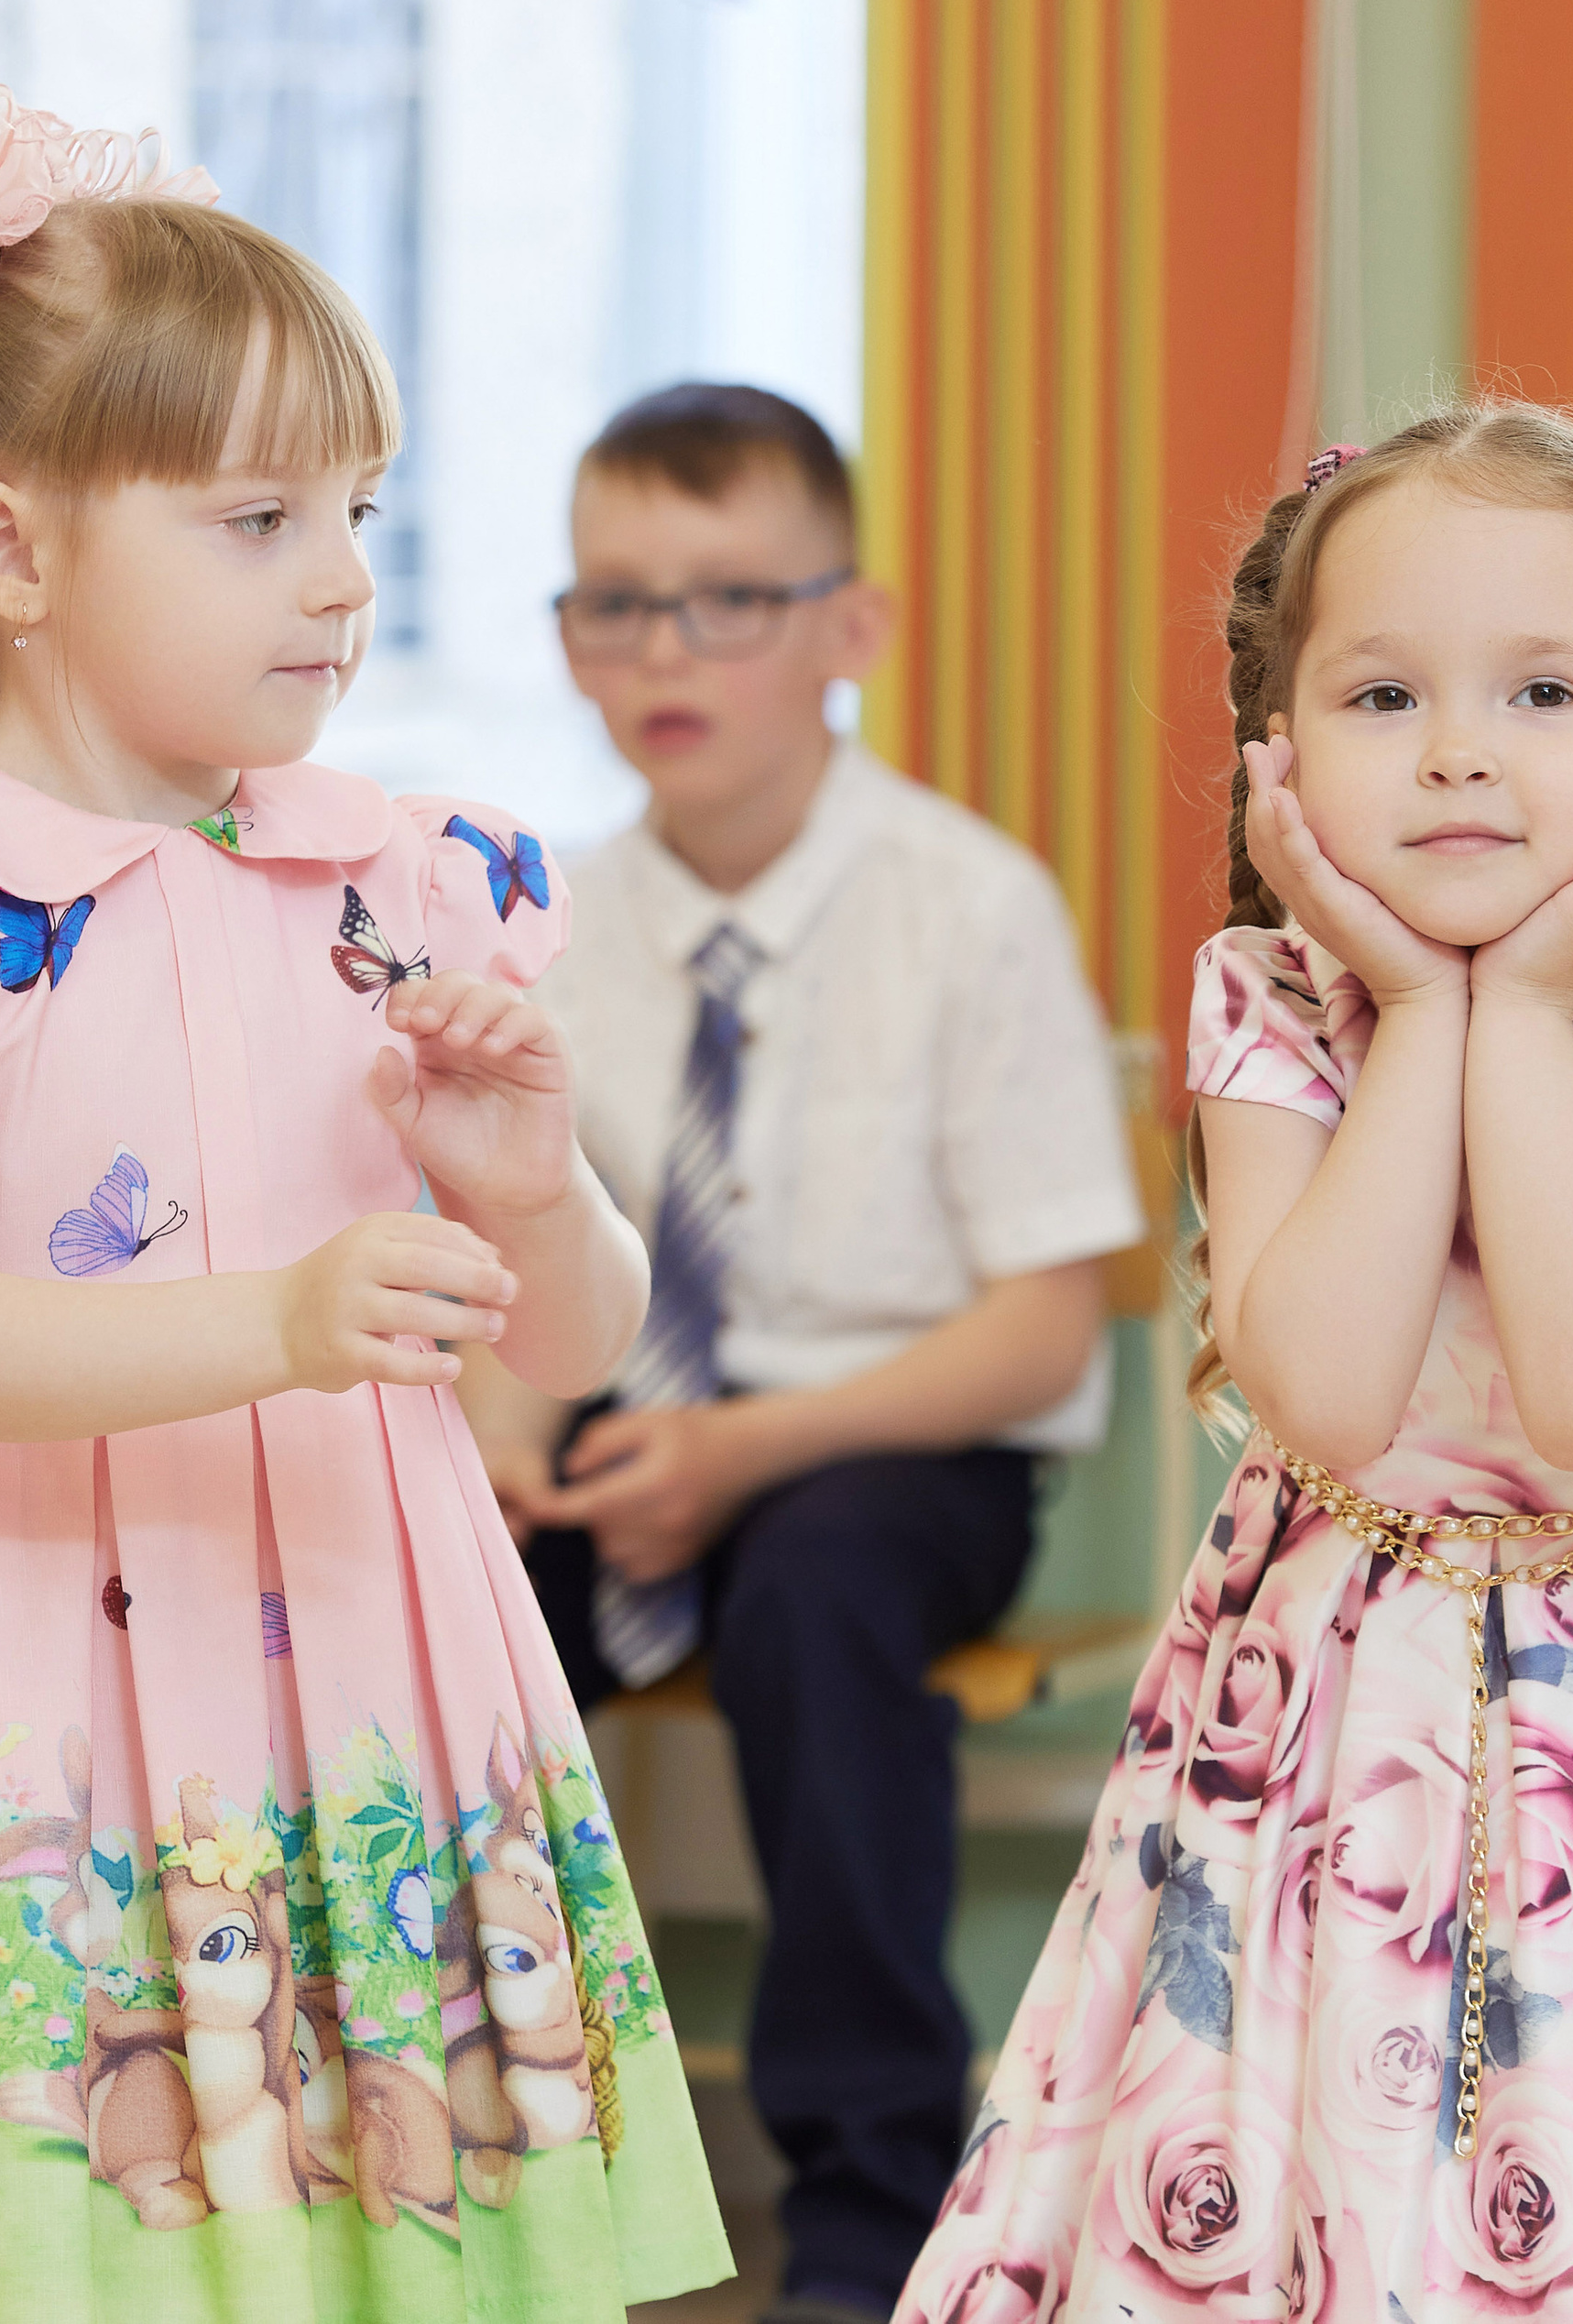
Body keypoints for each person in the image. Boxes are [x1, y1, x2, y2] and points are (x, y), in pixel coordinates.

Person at [0, 73, 726, 2323]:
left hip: (357, 1653)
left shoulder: (403, 873)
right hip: (4, 1666)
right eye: (255, 518)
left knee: (362, 2245)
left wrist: (536, 1195)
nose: (339, 576)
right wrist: (286, 1318)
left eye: (360, 510)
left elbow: (573, 1339)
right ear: (11, 553)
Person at [894, 402, 1573, 2321]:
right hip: (1338, 1696)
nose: (1456, 747)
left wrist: (1516, 1004)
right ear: (1279, 748)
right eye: (1380, 698)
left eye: (1542, 688)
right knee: (1319, 2146)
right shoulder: (1263, 996)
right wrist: (1423, 1001)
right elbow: (1326, 1394)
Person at [459, 383, 1144, 2324]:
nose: (663, 652)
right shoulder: (552, 924)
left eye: (726, 600)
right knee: (435, 1593)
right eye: (613, 604)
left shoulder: (964, 905)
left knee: (816, 1595)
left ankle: (865, 2203)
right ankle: (459, 2152)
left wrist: (749, 1452)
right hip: (628, 1416)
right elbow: (527, 1247)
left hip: (898, 1444)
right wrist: (501, 1451)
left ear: (851, 626)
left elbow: (1034, 1321)